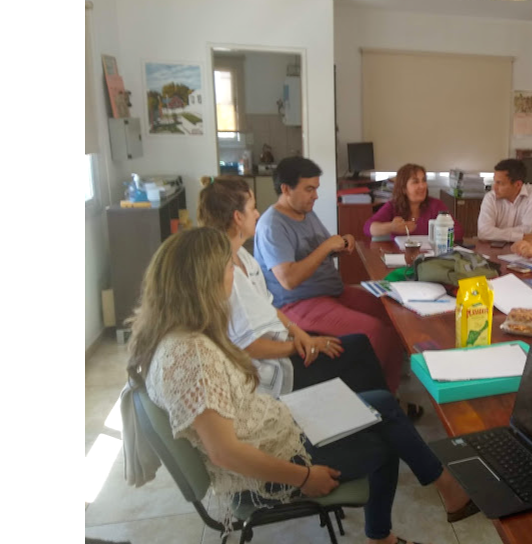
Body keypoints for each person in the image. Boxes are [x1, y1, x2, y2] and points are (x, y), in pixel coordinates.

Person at [126, 228, 480, 544]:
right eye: (228, 268)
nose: (233, 275)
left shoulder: (172, 334)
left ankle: (429, 502)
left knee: (381, 403)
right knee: (383, 436)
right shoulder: (192, 356)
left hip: (275, 423)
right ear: (206, 280)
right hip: (274, 458)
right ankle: (410, 516)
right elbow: (224, 453)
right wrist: (304, 477)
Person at [197, 176, 388, 397]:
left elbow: (268, 306)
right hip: (268, 370)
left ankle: (371, 411)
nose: (258, 214)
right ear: (237, 217)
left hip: (283, 342)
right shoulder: (226, 272)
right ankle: (373, 410)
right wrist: (300, 346)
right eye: (253, 208)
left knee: (358, 345)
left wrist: (301, 335)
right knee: (360, 352)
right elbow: (247, 346)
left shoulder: (243, 257)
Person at [255, 157, 409, 397]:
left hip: (331, 292)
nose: (315, 195)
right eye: (309, 189)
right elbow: (288, 279)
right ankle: (370, 399)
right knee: (373, 331)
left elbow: (320, 251)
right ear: (286, 189)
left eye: (316, 188)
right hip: (297, 303)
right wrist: (327, 247)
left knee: (394, 313)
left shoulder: (306, 212)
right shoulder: (272, 225)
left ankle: (390, 393)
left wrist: (340, 244)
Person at [365, 163, 462, 239]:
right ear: (403, 188)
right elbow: (368, 228)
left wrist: (439, 233)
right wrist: (391, 227)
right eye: (415, 182)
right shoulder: (393, 206)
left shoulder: (436, 205)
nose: (422, 186)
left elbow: (458, 231)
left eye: (424, 180)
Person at [477, 158, 532, 243]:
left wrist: (496, 233)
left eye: (500, 183)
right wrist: (518, 236)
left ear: (518, 184)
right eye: (494, 182)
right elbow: (483, 232)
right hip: (494, 247)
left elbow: (530, 231)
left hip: (525, 249)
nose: (494, 188)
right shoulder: (490, 197)